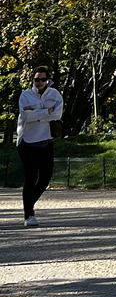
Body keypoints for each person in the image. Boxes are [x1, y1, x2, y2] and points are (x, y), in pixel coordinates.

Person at [16, 67, 63, 227]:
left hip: (46, 140)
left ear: (47, 80)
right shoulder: (25, 95)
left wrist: (36, 112)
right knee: (31, 178)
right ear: (33, 80)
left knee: (46, 177)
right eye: (37, 79)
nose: (40, 82)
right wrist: (45, 111)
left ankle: (28, 203)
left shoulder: (55, 94)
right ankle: (29, 215)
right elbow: (25, 116)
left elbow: (57, 115)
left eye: (43, 79)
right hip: (27, 141)